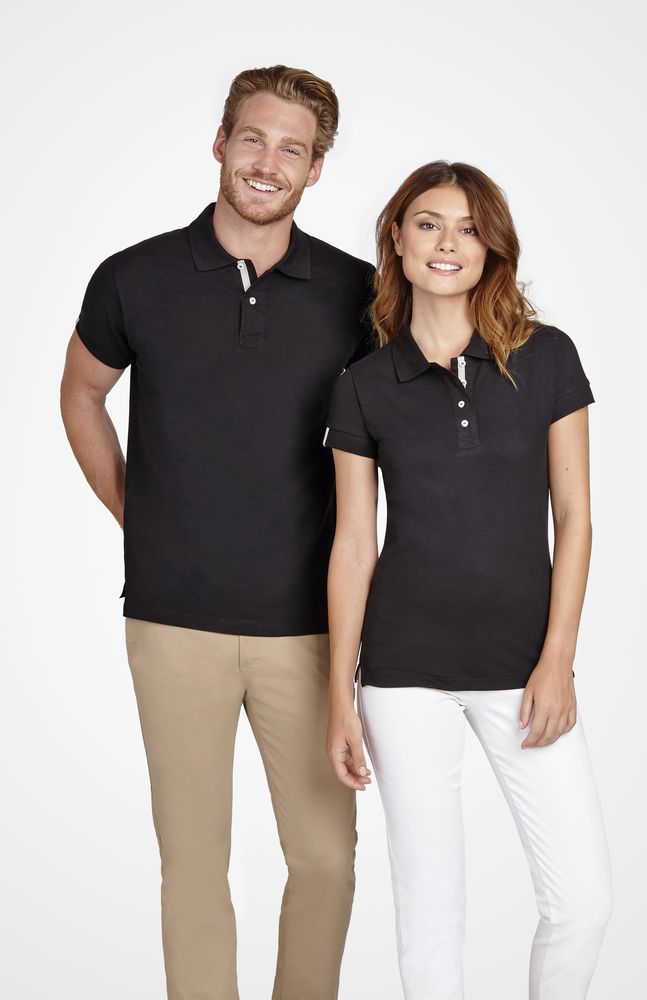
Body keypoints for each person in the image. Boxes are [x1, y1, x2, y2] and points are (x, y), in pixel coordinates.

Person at [60, 65, 375, 1000]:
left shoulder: (359, 295)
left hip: (309, 627)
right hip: (173, 622)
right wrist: (138, 513)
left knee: (326, 861)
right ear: (220, 143)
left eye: (293, 149)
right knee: (193, 865)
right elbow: (81, 392)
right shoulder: (134, 276)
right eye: (253, 138)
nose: (268, 163)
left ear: (317, 169)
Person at [323, 160, 612, 1000]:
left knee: (583, 903)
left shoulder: (546, 358)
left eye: (469, 228)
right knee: (430, 910)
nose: (448, 242)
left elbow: (576, 517)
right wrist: (341, 695)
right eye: (428, 223)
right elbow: (353, 545)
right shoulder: (364, 385)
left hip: (524, 667)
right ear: (397, 239)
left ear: (492, 248)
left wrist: (557, 660)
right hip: (404, 670)